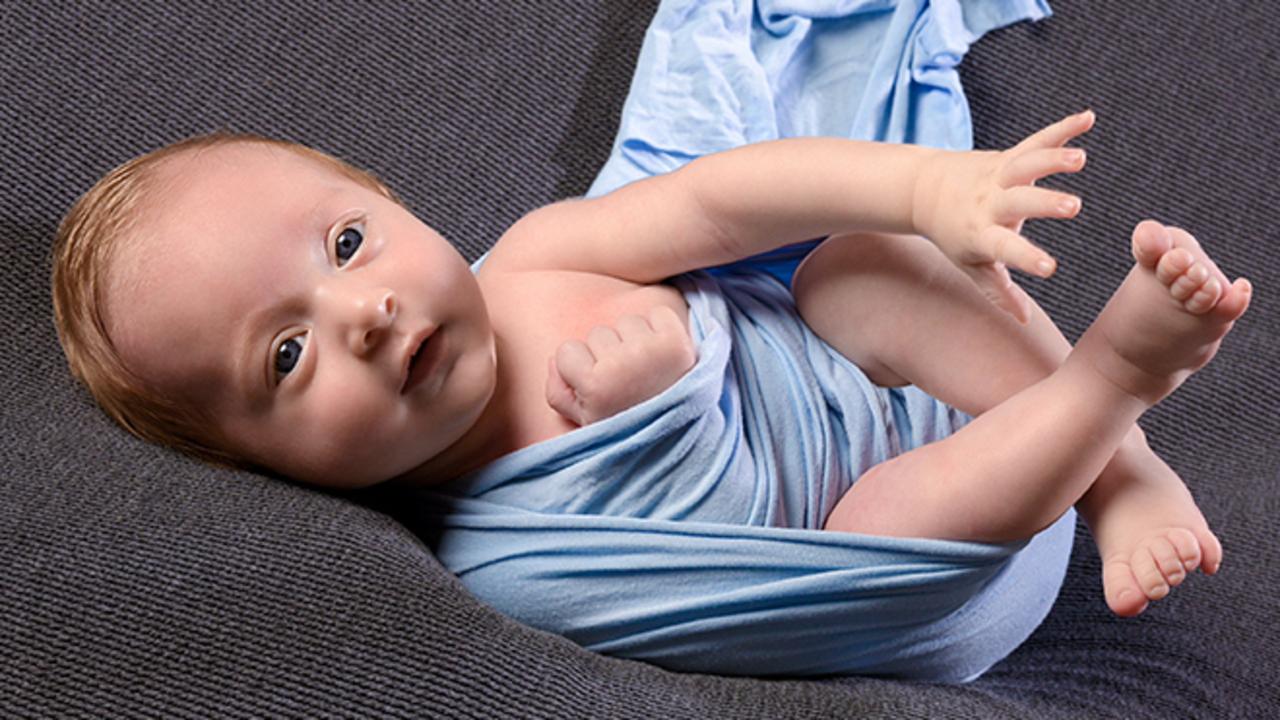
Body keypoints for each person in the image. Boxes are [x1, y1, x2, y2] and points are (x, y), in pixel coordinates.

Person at [52, 110, 1251, 624]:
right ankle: (1109, 386)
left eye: (348, 243)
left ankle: (1122, 473)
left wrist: (925, 189)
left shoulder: (534, 257)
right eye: (287, 352)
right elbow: (766, 590)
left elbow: (717, 200)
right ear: (257, 466)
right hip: (936, 550)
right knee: (880, 515)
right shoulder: (508, 551)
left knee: (854, 264)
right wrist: (661, 413)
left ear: (387, 199)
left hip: (917, 389)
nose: (361, 314)